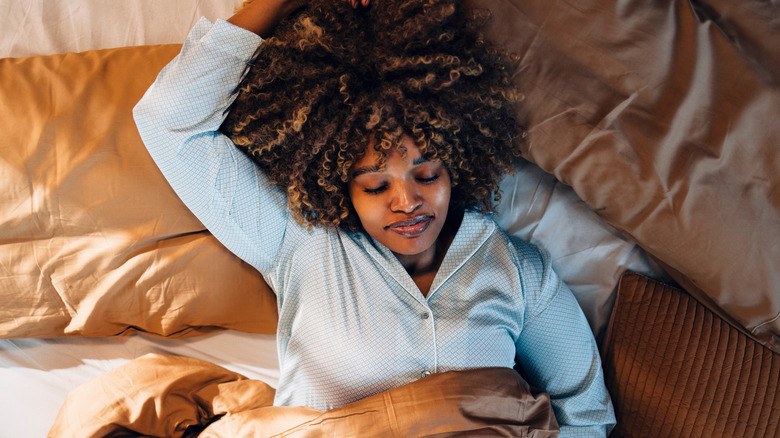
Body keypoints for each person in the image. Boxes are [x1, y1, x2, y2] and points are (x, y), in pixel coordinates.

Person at [133, 0, 616, 435]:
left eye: (426, 174)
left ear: (457, 161)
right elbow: (168, 123)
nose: (407, 202)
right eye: (375, 186)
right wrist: (274, 5)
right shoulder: (300, 243)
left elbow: (587, 414)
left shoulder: (518, 273)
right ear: (337, 185)